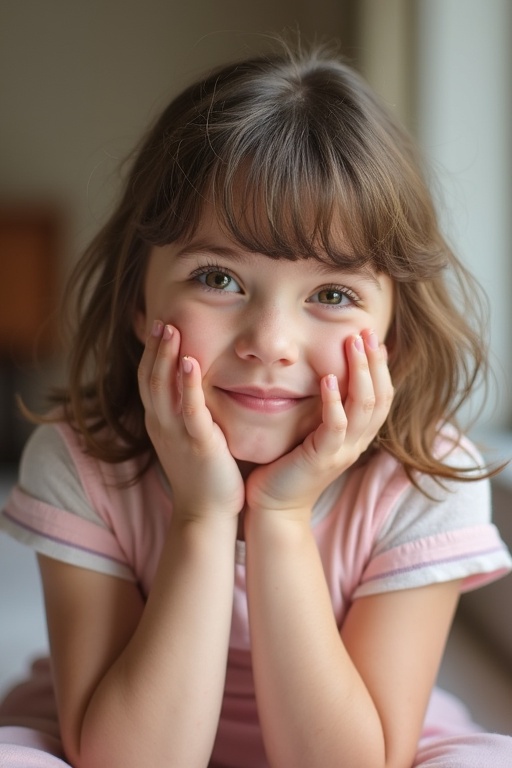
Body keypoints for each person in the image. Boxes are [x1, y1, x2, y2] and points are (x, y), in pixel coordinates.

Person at [0, 43, 511, 768]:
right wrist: (203, 513)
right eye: (217, 277)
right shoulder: (84, 459)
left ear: (393, 334)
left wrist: (279, 516)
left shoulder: (424, 479)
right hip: (111, 731)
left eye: (332, 296)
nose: (270, 343)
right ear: (140, 305)